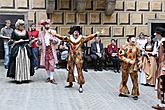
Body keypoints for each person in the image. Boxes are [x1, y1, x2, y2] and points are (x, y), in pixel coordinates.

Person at [50, 26, 99, 93]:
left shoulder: (81, 38)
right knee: (70, 69)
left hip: (78, 56)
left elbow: (88, 37)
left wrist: (95, 34)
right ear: (73, 33)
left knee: (79, 70)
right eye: (75, 32)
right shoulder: (69, 38)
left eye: (77, 32)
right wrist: (55, 34)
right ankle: (70, 83)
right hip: (71, 56)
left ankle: (80, 85)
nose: (76, 33)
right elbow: (62, 37)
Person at [118, 36, 142, 100]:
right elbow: (120, 56)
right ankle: (122, 91)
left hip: (133, 66)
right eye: (132, 40)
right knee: (124, 79)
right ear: (129, 40)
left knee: (135, 80)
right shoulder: (124, 47)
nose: (134, 41)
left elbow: (139, 56)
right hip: (125, 66)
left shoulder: (137, 47)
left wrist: (140, 62)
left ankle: (135, 93)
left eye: (134, 40)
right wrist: (128, 60)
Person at [38, 19, 59, 84]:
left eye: (48, 24)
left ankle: (52, 78)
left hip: (51, 50)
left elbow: (57, 41)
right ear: (44, 26)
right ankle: (49, 77)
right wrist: (38, 42)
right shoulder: (41, 33)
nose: (47, 25)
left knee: (52, 64)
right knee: (46, 64)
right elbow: (39, 42)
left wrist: (52, 39)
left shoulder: (53, 32)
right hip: (44, 50)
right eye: (45, 24)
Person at [152, 27, 165, 110]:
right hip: (162, 65)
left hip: (163, 66)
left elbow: (161, 57)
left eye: (156, 34)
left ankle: (162, 104)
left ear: (159, 34)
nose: (156, 36)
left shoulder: (162, 43)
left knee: (162, 85)